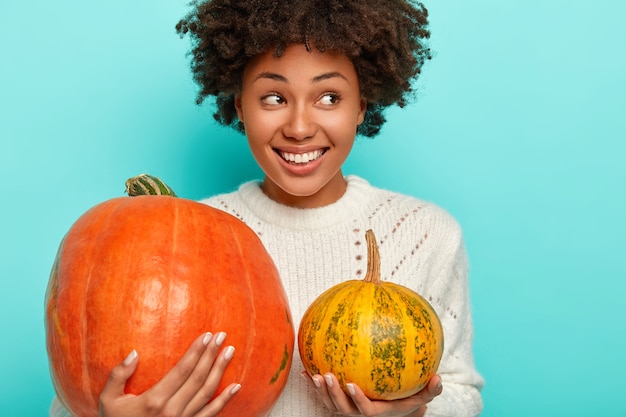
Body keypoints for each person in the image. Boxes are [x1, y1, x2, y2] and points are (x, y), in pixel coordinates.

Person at [50, 0, 484, 416]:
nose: (299, 127)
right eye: (274, 98)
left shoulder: (425, 234)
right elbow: (79, 392)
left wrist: (413, 415)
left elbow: (460, 392)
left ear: (361, 108)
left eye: (329, 97)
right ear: (240, 105)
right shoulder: (180, 239)